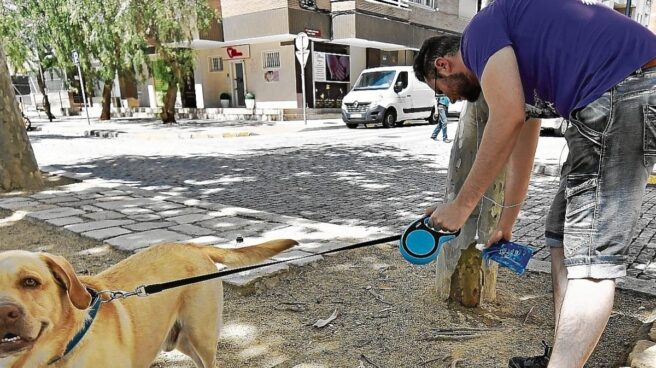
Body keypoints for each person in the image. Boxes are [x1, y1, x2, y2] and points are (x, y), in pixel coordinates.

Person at [411, 0, 656, 366]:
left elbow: (506, 118)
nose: (449, 98)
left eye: (439, 88)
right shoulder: (510, 64)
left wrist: (461, 207)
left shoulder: (479, 33)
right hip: (607, 99)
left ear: (442, 65)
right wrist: (506, 223)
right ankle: (563, 355)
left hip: (622, 91)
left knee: (591, 259)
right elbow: (522, 137)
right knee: (559, 235)